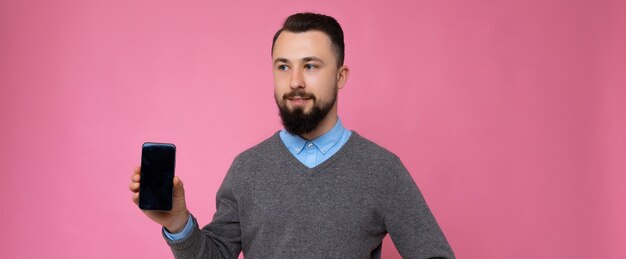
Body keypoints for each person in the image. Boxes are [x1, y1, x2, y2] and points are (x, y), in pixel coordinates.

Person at [129, 12, 455, 258]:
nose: (295, 81)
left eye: (311, 66)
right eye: (283, 67)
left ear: (341, 76)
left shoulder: (382, 170)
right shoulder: (247, 169)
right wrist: (177, 222)